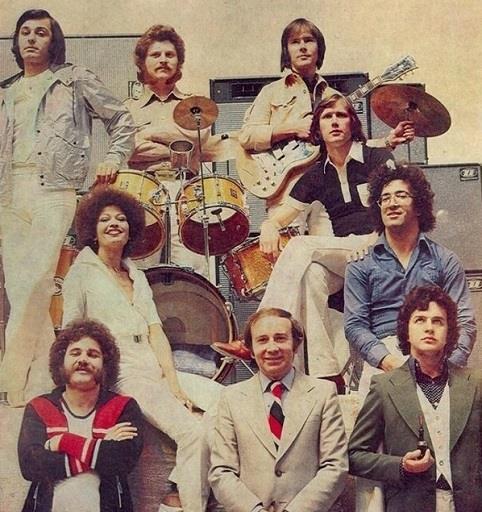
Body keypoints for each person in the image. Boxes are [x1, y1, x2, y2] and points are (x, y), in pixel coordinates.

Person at [0, 9, 135, 407]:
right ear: (16, 41)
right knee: (22, 289)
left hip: (54, 189)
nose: (31, 38)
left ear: (53, 41)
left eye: (41, 32)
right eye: (25, 32)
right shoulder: (7, 91)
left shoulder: (73, 80)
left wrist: (113, 157)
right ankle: (42, 382)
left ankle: (10, 378)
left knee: (35, 282)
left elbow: (121, 119)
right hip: (10, 192)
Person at [216, 94, 395, 389]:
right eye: (327, 117)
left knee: (300, 245)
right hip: (348, 255)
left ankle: (255, 335)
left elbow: (399, 209)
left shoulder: (377, 159)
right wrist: (269, 225)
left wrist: (378, 239)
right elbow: (283, 213)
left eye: (341, 115)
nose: (334, 122)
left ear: (353, 123)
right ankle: (327, 374)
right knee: (311, 275)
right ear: (317, 129)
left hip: (380, 246)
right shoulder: (317, 173)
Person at [62, 187, 222, 512]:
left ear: (131, 227)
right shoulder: (81, 272)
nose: (114, 223)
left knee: (227, 402)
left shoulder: (135, 273)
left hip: (154, 367)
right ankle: (184, 504)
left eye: (121, 218)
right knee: (192, 432)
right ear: (92, 229)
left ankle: (175, 492)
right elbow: (71, 337)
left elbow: (155, 331)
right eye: (105, 219)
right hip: (122, 373)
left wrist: (174, 383)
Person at [238, 17, 413, 232]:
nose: (302, 47)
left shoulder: (333, 96)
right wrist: (293, 128)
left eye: (308, 40)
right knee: (287, 250)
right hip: (286, 190)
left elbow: (352, 147)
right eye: (295, 42)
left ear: (319, 48)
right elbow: (247, 136)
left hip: (328, 190)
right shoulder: (271, 92)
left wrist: (387, 141)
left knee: (331, 249)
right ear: (286, 51)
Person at [344, 163, 476, 395]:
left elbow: (465, 322)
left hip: (437, 354)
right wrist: (389, 363)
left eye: (401, 195)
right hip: (383, 358)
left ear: (419, 206)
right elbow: (355, 325)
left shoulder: (445, 260)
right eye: (385, 198)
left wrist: (447, 365)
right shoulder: (360, 264)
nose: (391, 203)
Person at [348, 285, 482, 511]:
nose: (429, 327)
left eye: (438, 321)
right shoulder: (384, 387)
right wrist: (400, 465)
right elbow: (354, 456)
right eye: (420, 320)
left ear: (449, 332)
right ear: (406, 331)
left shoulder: (476, 383)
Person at [209, 307, 348, 512]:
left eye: (281, 338)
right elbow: (221, 472)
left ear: (295, 345)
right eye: (262, 340)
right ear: (251, 349)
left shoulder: (323, 393)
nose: (272, 348)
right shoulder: (231, 398)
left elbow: (335, 466)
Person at [125, 24, 233, 272]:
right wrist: (181, 146)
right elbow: (130, 149)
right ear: (142, 62)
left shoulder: (196, 104)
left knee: (192, 270)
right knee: (141, 270)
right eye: (155, 54)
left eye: (170, 54)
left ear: (179, 61)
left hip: (187, 192)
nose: (163, 60)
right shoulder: (128, 108)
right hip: (144, 193)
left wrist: (148, 134)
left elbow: (198, 140)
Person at [18, 319, 143, 512]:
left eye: (93, 354)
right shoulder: (39, 407)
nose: (83, 359)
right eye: (75, 353)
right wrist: (100, 447)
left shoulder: (124, 407)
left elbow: (121, 461)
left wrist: (64, 442)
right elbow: (30, 466)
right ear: (61, 362)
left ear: (105, 365)